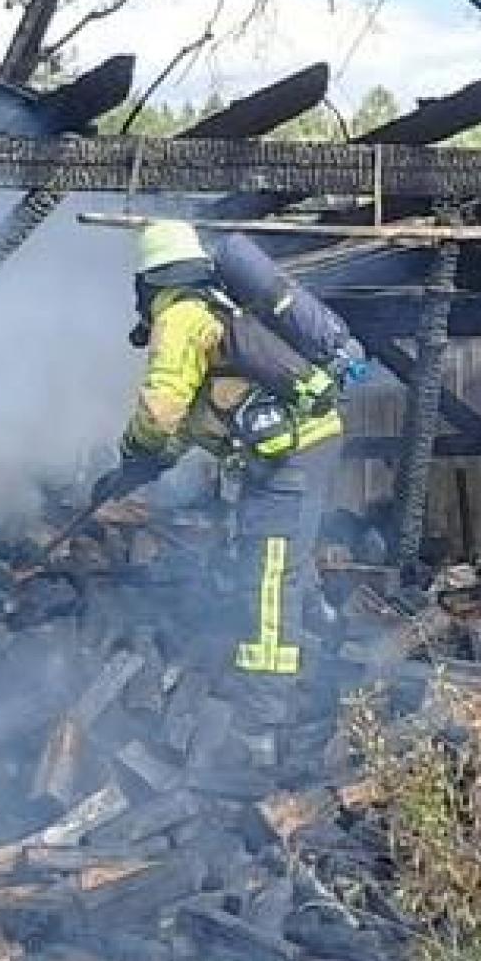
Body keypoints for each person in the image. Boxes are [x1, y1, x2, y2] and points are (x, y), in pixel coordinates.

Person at [93, 221, 346, 681]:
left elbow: (162, 410)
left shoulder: (179, 319)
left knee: (269, 574)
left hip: (290, 455)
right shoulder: (216, 308)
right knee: (284, 551)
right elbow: (199, 415)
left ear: (148, 280)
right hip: (305, 443)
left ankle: (264, 714)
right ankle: (325, 641)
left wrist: (134, 451)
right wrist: (144, 469)